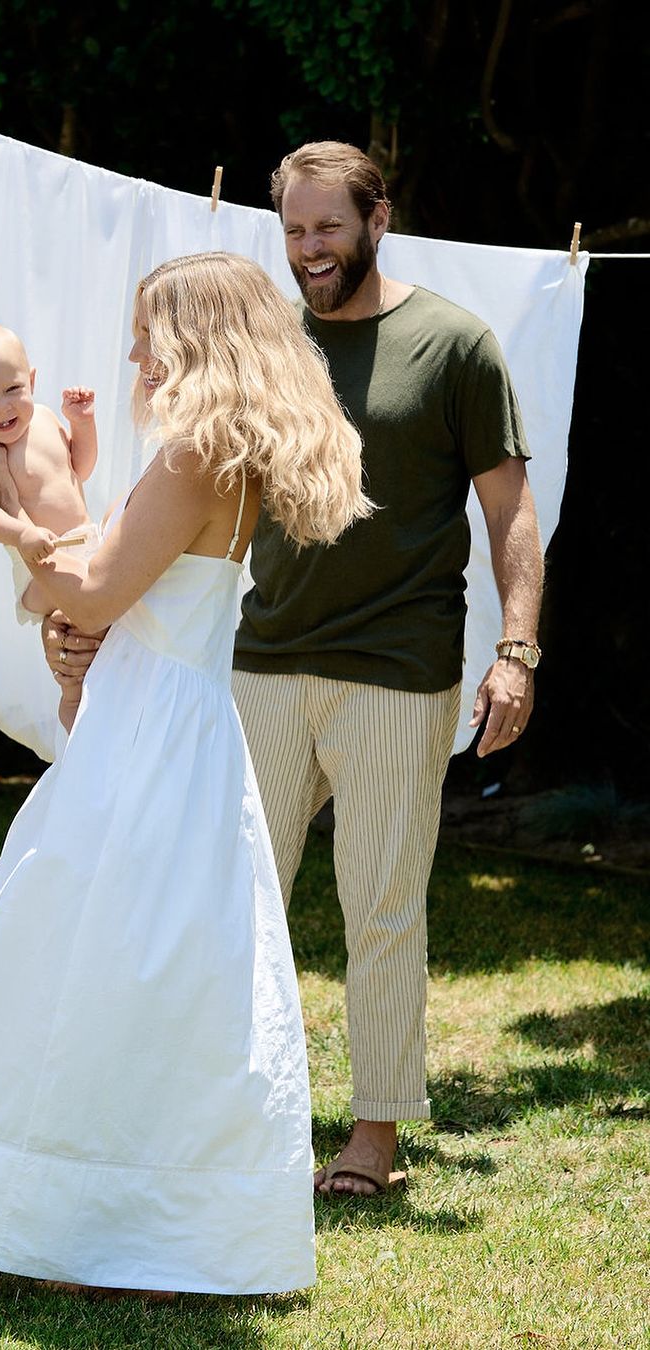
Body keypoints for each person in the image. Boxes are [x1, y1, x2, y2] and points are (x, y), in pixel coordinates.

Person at [0, 252, 372, 1296]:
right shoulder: (219, 457)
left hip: (153, 736)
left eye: (147, 332)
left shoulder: (194, 458)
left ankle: (102, 1230)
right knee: (148, 962)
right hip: (172, 719)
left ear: (195, 340)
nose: (133, 352)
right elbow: (119, 595)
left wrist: (25, 550)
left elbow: (96, 590)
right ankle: (126, 1224)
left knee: (108, 957)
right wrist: (69, 610)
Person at [230, 141, 545, 1197]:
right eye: (293, 230)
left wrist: (516, 650)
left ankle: (374, 1137)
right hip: (264, 662)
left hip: (399, 671)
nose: (309, 249)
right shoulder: (269, 345)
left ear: (378, 221)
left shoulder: (455, 344)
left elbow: (510, 510)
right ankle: (231, 1115)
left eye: (328, 226)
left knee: (382, 910)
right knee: (234, 900)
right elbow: (210, 497)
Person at [0, 321, 100, 729]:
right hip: (39, 563)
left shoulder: (45, 419)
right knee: (77, 635)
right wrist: (22, 534)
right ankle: (72, 704)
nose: (2, 407)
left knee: (109, 631)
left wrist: (82, 424)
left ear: (31, 380)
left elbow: (79, 469)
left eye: (12, 389)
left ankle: (99, 705)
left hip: (86, 544)